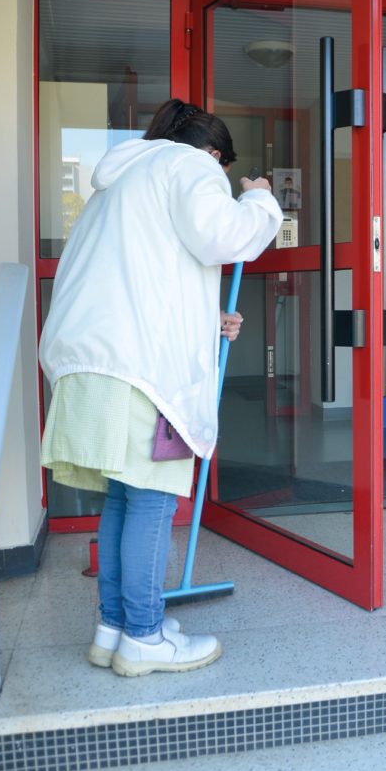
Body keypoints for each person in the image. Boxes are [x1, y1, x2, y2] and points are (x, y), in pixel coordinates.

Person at [39, 98, 283, 677]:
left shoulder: (118, 183)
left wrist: (204, 322)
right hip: (141, 372)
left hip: (95, 366)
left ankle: (115, 627)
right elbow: (225, 236)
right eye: (223, 172)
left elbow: (144, 277)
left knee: (124, 496)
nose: (219, 181)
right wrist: (259, 197)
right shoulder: (187, 166)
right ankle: (145, 637)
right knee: (150, 499)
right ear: (214, 154)